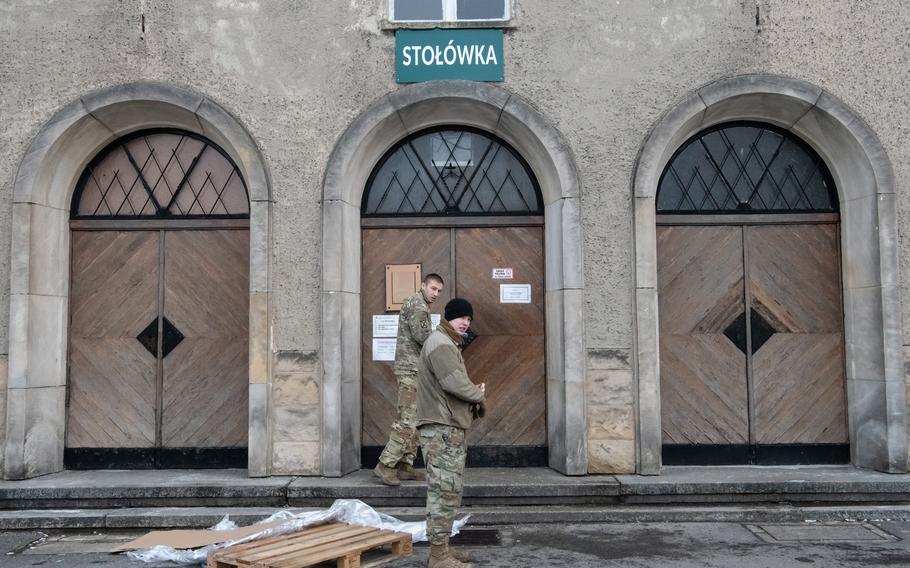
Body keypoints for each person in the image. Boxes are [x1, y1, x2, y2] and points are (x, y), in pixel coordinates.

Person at [417, 298, 485, 568]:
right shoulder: (441, 344)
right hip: (440, 429)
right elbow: (453, 383)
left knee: (448, 490)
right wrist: (478, 396)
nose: (465, 322)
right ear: (448, 318)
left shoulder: (447, 342)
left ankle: (442, 549)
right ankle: (439, 556)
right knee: (443, 491)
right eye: (460, 317)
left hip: (446, 428)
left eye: (468, 318)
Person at [373, 273, 445, 486]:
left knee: (414, 418)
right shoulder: (418, 306)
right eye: (433, 288)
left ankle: (404, 465)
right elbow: (423, 337)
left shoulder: (419, 303)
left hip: (415, 369)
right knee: (408, 420)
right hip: (411, 370)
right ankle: (385, 465)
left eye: (439, 291)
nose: (436, 294)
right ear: (423, 285)